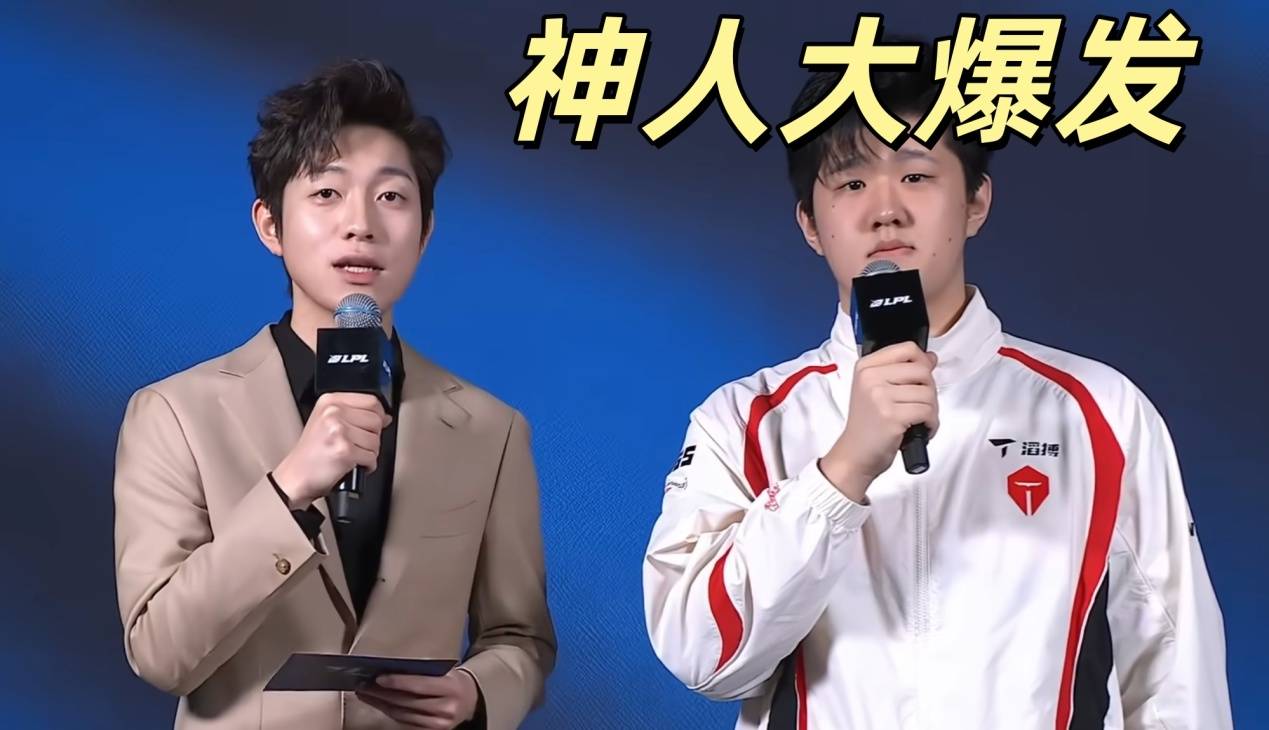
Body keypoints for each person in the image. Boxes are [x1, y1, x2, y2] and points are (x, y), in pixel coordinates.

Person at [642, 44, 1231, 729]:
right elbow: (702, 656)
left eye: (916, 175)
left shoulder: (1099, 411)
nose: (885, 210)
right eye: (851, 184)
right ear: (810, 224)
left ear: (975, 201)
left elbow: (1174, 673)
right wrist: (839, 475)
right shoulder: (743, 421)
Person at [113, 59, 555, 730]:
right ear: (270, 225)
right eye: (326, 192)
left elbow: (521, 638)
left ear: (425, 231)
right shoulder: (175, 414)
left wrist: (478, 692)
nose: (361, 224)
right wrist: (289, 487)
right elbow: (160, 653)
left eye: (392, 197)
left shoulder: (491, 429)